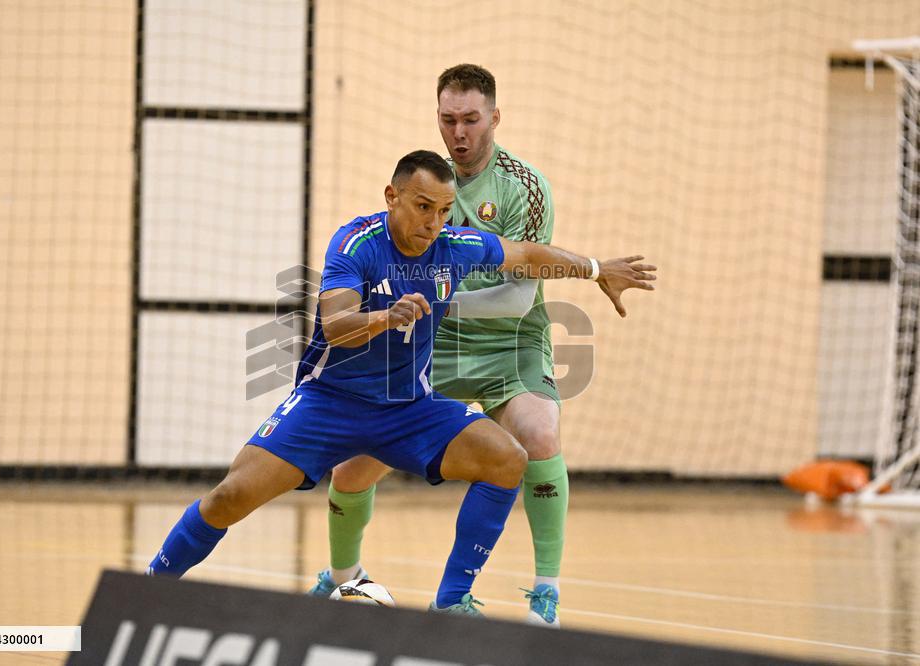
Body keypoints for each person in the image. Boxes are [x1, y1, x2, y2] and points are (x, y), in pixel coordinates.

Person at [147, 150, 656, 616]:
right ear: (392, 198)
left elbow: (526, 254)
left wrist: (594, 269)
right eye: (422, 207)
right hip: (329, 404)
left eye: (443, 210)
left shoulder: (454, 247)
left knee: (508, 459)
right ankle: (150, 591)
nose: (433, 222)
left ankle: (451, 604)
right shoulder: (356, 243)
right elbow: (336, 328)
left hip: (407, 409)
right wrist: (386, 316)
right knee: (229, 497)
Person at [310, 65, 644, 627]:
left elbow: (518, 296)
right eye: (448, 120)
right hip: (428, 347)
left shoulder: (524, 187)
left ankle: (545, 597)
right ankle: (344, 578)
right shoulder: (425, 186)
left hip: (510, 344)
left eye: (470, 119)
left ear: (495, 117)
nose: (458, 133)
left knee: (539, 434)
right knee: (352, 468)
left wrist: (426, 300)